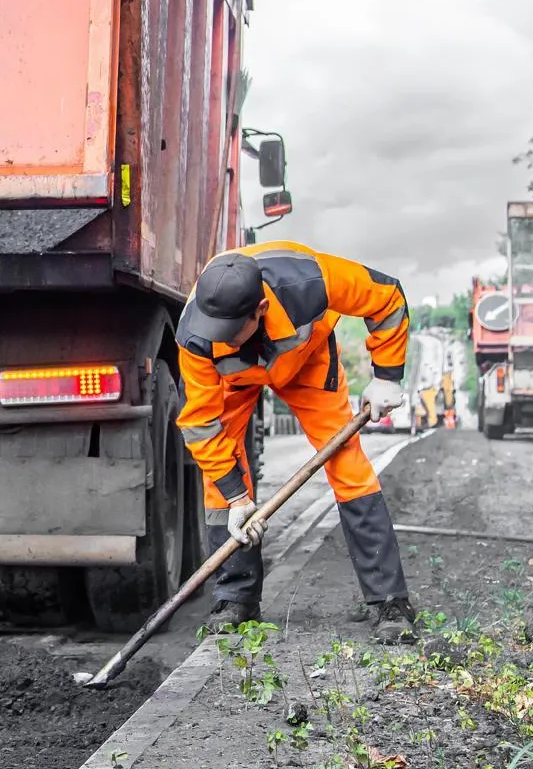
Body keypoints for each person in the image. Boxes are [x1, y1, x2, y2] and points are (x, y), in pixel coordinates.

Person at [174, 241, 420, 645]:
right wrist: (238, 499)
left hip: (307, 363)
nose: (222, 339)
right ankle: (235, 598)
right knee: (220, 480)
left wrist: (387, 375)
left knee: (349, 468)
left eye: (230, 331)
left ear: (260, 310)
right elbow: (201, 423)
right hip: (234, 382)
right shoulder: (196, 334)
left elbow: (387, 297)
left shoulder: (309, 280)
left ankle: (389, 602)